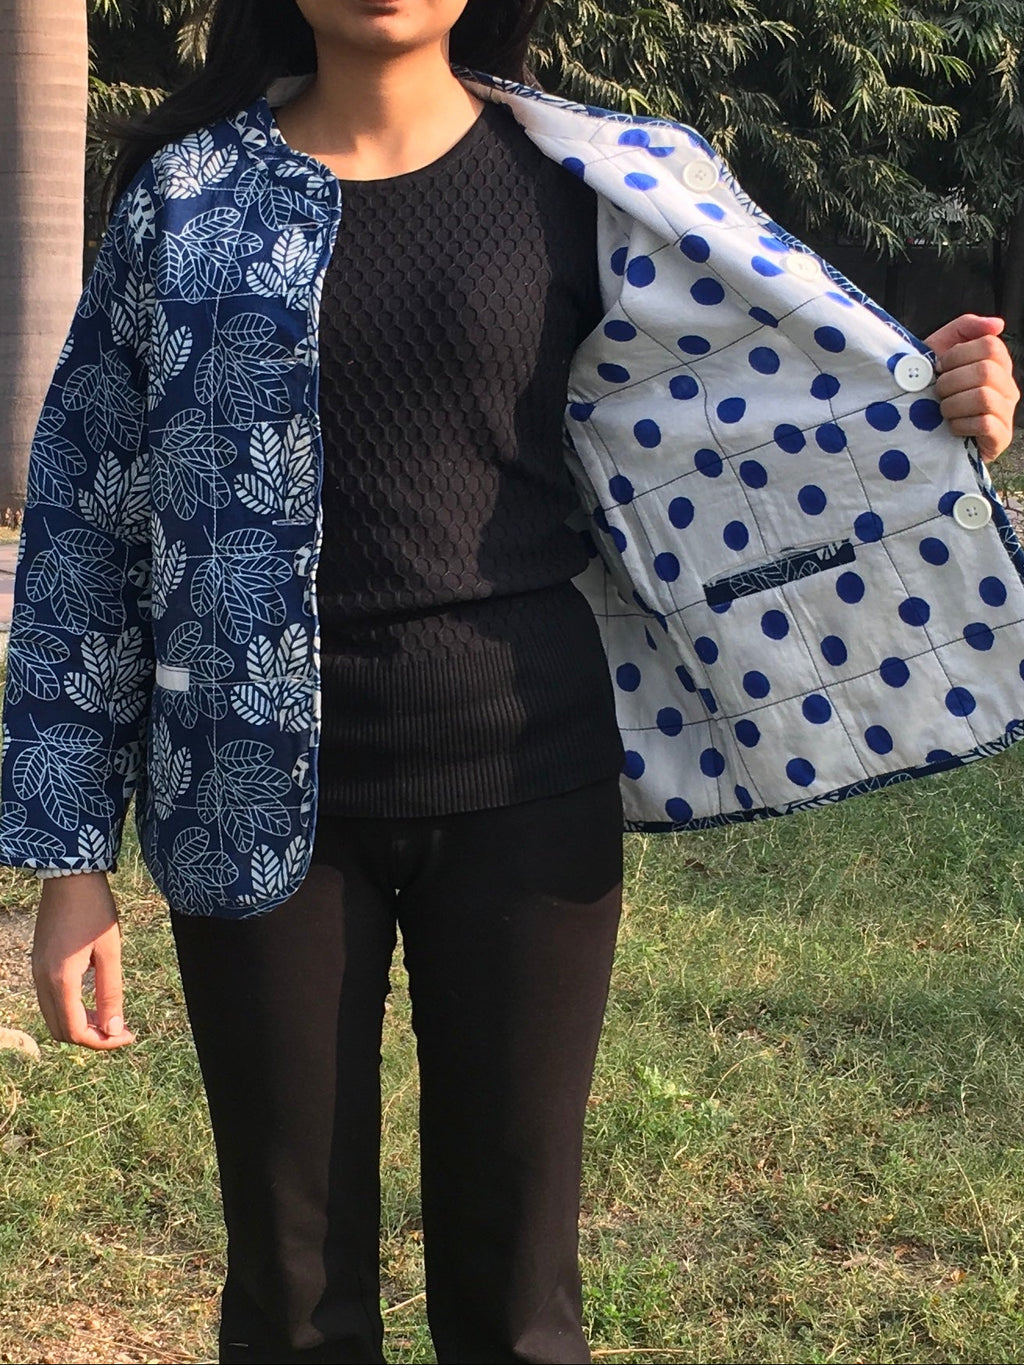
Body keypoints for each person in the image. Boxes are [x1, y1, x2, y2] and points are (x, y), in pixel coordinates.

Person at [2, 2, 1020, 1362]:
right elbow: (86, 514)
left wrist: (945, 395)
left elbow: (767, 398)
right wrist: (70, 856)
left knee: (520, 1296)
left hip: (529, 788)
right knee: (292, 1294)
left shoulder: (594, 185)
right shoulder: (185, 198)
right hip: (247, 807)